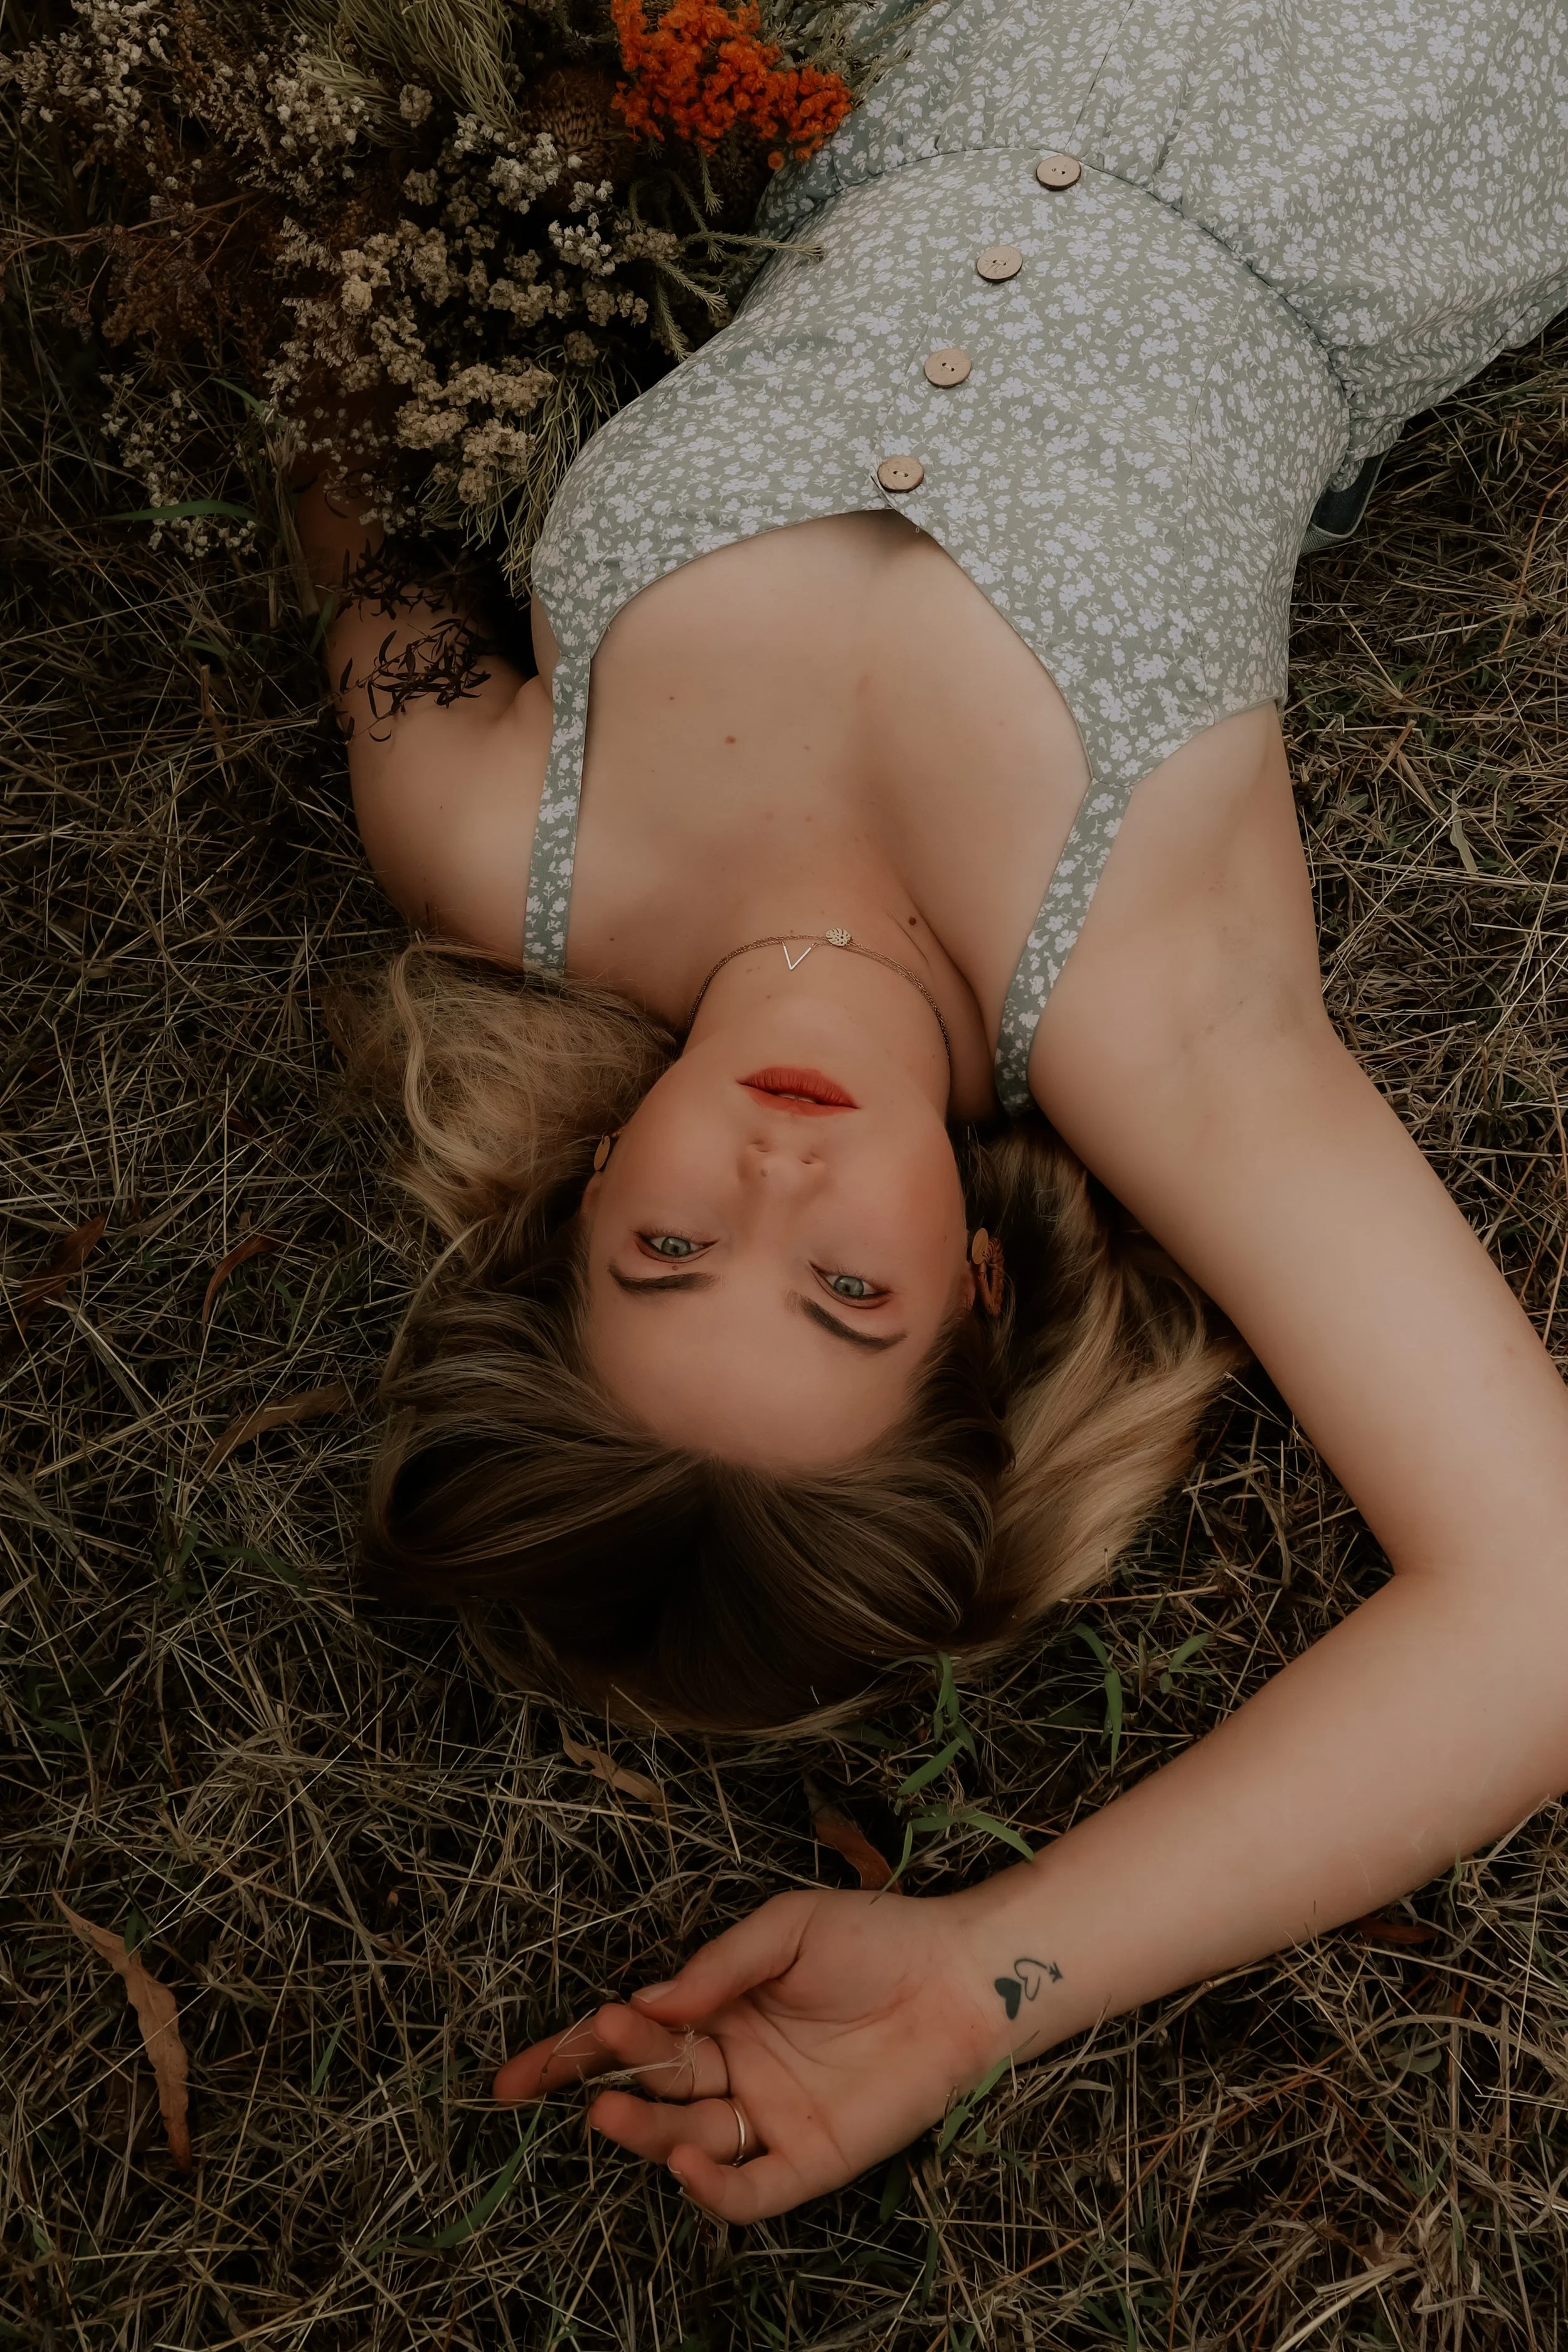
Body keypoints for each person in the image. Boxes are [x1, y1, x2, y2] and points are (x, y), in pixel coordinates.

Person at [297, 0, 1568, 2224]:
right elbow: (1536, 1609)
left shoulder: (499, 843)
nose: (772, 1176)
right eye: (846, 1291)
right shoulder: (1147, 1010)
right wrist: (982, 1975)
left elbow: (348, 437)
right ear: (978, 1283)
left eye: (672, 1251)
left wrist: (380, 175)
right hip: (1400, 98)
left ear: (583, 1194)